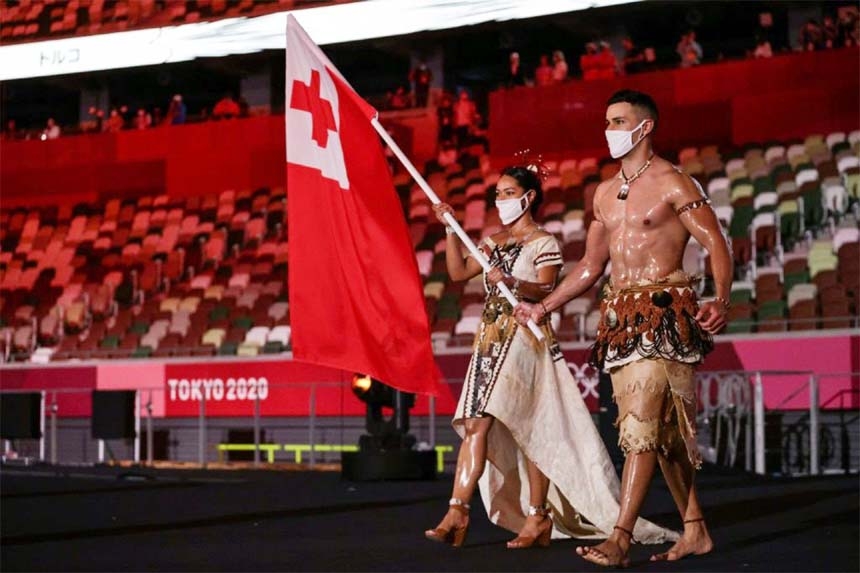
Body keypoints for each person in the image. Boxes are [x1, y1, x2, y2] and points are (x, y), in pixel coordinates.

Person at [515, 89, 731, 566]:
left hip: (665, 314)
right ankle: (694, 528)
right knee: (666, 434)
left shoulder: (675, 183)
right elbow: (591, 267)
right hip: (619, 320)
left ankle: (620, 537)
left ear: (645, 126)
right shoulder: (604, 193)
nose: (609, 129)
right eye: (607, 121)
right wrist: (545, 305)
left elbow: (716, 242)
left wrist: (722, 298)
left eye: (618, 120)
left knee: (640, 427)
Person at [425, 162, 677, 551]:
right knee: (475, 422)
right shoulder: (494, 241)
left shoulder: (545, 244)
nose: (500, 200)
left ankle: (537, 515)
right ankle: (458, 510)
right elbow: (458, 273)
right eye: (498, 194)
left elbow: (546, 289)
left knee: (528, 428)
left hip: (525, 338)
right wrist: (449, 229)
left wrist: (511, 282)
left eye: (508, 193)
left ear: (528, 198)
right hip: (490, 340)